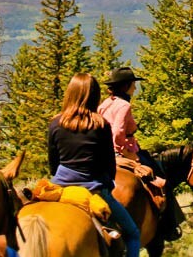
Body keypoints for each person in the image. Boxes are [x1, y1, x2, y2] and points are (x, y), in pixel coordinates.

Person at [47, 73, 140, 257]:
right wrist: (107, 186)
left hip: (61, 187)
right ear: (95, 96)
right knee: (133, 234)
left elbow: (53, 163)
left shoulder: (56, 123)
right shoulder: (100, 124)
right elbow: (109, 165)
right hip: (93, 188)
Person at [99, 66, 183, 242]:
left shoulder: (105, 104)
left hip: (103, 152)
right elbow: (117, 132)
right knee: (161, 179)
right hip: (123, 152)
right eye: (133, 84)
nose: (135, 88)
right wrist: (124, 152)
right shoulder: (124, 105)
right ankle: (168, 226)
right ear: (127, 85)